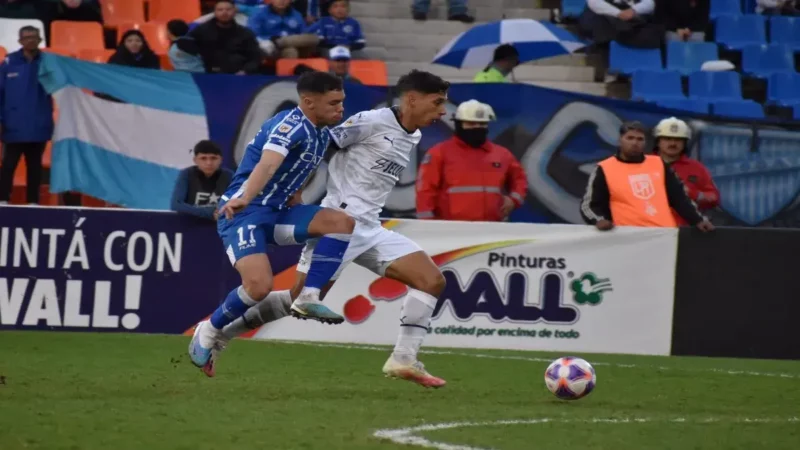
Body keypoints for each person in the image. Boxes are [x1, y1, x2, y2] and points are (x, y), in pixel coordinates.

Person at [212, 70, 452, 388]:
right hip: (337, 224)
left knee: (431, 280)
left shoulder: (413, 135)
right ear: (412, 99)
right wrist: (291, 190)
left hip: (371, 227)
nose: (442, 112)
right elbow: (320, 145)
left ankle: (404, 359)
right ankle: (218, 334)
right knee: (295, 299)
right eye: (437, 103)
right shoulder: (370, 121)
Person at [188, 71, 356, 374]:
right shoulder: (289, 125)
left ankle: (308, 295)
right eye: (333, 103)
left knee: (341, 223)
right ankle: (209, 331)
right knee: (259, 286)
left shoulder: (320, 128)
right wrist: (244, 197)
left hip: (278, 211)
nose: (340, 109)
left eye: (342, 101)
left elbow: (304, 164)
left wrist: (298, 192)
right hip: (244, 212)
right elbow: (268, 163)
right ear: (308, 101)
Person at [580, 121, 715, 232]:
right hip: (625, 236)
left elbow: (679, 197)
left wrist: (698, 220)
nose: (635, 143)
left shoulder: (658, 164)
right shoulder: (605, 168)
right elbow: (589, 205)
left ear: (645, 142)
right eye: (630, 138)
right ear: (620, 140)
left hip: (663, 234)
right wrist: (599, 220)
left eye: (640, 139)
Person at [416, 100, 527, 221]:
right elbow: (425, 191)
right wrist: (427, 225)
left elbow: (520, 179)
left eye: (482, 124)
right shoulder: (439, 153)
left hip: (493, 228)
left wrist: (514, 200)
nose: (477, 128)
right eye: (471, 124)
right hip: (453, 230)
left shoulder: (502, 154)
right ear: (459, 124)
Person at [0, 26, 54, 205]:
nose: (30, 40)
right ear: (20, 41)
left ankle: (33, 203)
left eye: (34, 37)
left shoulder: (48, 62)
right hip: (12, 124)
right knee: (8, 165)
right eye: (27, 37)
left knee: (35, 167)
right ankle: (2, 200)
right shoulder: (9, 62)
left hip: (39, 123)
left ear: (40, 40)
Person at [652, 117, 719, 225]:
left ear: (685, 143)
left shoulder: (697, 168)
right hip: (651, 228)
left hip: (687, 229)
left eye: (678, 139)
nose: (673, 143)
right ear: (658, 141)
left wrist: (692, 194)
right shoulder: (644, 164)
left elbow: (714, 198)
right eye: (668, 139)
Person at [189, 0, 263, 75]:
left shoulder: (246, 33)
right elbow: (185, 48)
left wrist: (245, 71)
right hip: (207, 74)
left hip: (238, 75)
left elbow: (255, 57)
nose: (224, 12)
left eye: (228, 9)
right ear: (214, 12)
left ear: (235, 11)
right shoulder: (201, 31)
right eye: (220, 10)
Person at [170, 140, 233, 220]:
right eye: (203, 158)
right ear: (195, 160)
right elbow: (176, 205)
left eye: (213, 158)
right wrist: (210, 213)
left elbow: (238, 203)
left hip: (221, 228)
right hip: (191, 226)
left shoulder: (229, 176)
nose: (209, 163)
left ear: (221, 160)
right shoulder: (187, 174)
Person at [248, 0, 320, 59]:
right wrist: (268, 40)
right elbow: (252, 34)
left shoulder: (297, 15)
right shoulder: (259, 14)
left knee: (314, 38)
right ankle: (289, 76)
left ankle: (278, 42)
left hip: (295, 45)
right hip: (270, 47)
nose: (281, 1)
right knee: (291, 51)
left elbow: (303, 34)